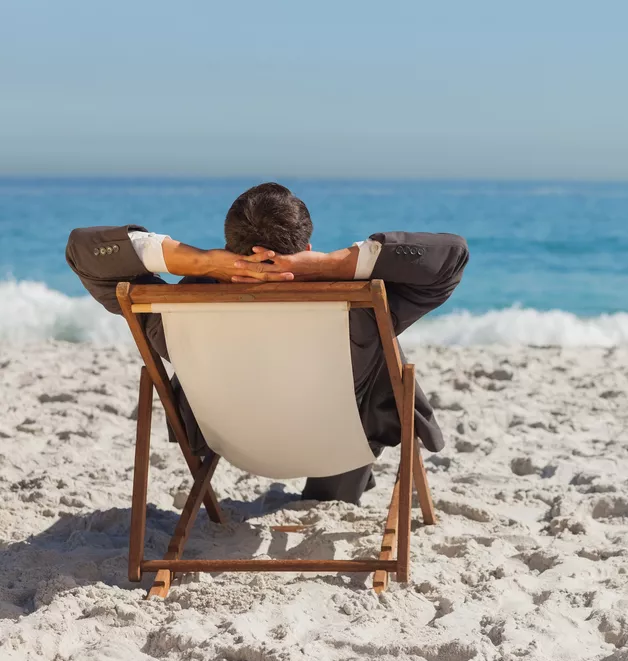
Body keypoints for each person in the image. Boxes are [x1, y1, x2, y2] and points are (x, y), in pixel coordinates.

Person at [65, 182, 469, 504]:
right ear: (305, 250)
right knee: (380, 359)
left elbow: (84, 251)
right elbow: (451, 256)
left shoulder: (174, 312)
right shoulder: (359, 311)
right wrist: (334, 264)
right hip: (337, 441)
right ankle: (335, 492)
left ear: (227, 246)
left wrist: (202, 262)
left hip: (230, 440)